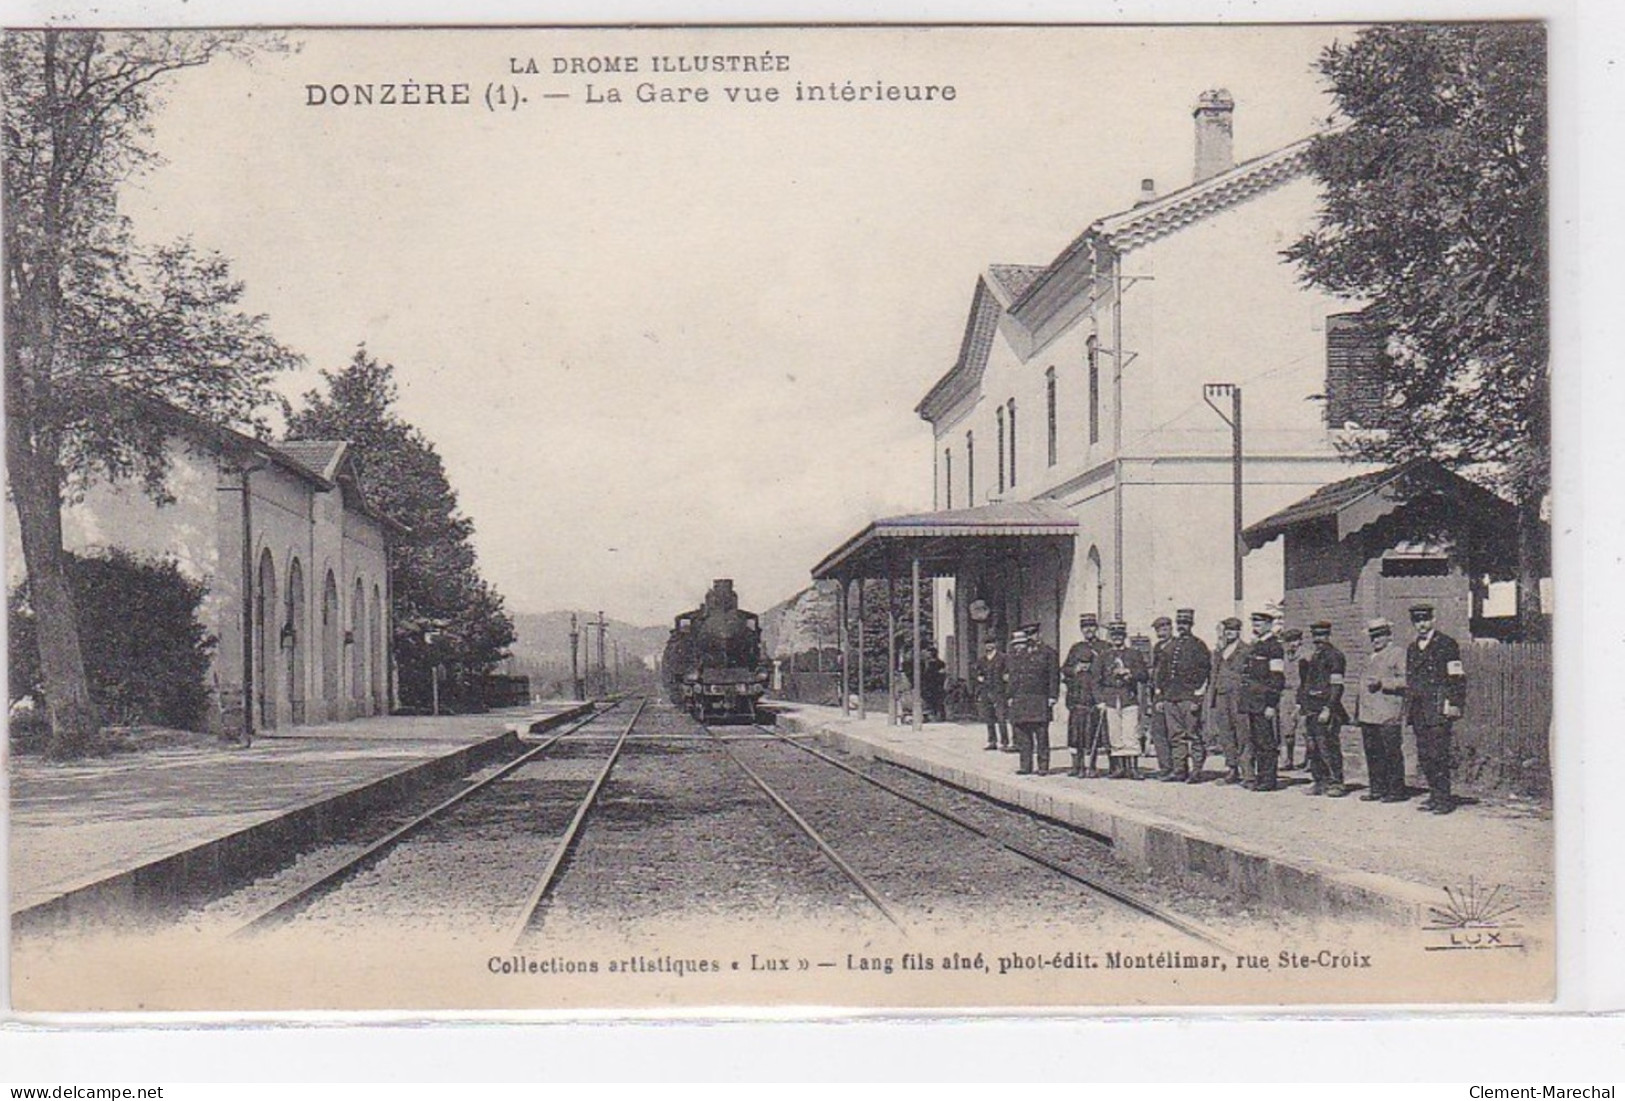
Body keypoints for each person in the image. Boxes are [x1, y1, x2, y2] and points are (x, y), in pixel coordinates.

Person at [1405, 603, 1467, 814]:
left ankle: (1444, 799)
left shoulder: (1447, 644)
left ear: (1433, 620)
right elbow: (1411, 680)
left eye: (1424, 620)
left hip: (1439, 706)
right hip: (1419, 709)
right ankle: (1433, 795)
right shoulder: (1412, 648)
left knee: (1438, 753)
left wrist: (1455, 703)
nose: (1421, 625)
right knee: (1425, 755)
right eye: (1417, 621)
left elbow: (1457, 677)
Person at [1356, 617, 1408, 803]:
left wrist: (1383, 683)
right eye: (1373, 636)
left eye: (1379, 636)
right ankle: (1377, 788)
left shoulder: (1397, 654)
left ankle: (1396, 791)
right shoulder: (1370, 656)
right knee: (1373, 752)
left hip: (1388, 713)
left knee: (1391, 752)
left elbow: (1406, 681)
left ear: (1388, 636)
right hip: (1369, 714)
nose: (1376, 640)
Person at [1299, 621, 1351, 797]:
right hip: (1311, 708)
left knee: (1328, 746)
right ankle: (1319, 781)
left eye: (1321, 636)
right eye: (1315, 636)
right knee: (1313, 747)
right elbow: (1306, 683)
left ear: (1328, 635)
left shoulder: (1335, 656)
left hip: (1326, 707)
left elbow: (1337, 686)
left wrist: (1329, 708)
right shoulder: (1313, 656)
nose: (1318, 640)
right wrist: (1302, 706)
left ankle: (1336, 782)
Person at [1161, 608, 1211, 783]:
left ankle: (1197, 770)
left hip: (1189, 698)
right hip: (1171, 697)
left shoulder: (1198, 645)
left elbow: (1205, 673)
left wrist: (1197, 698)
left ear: (1191, 624)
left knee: (1193, 735)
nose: (1182, 627)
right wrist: (1162, 697)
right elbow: (1162, 674)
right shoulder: (1170, 646)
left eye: (1185, 623)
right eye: (1180, 623)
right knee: (1175, 736)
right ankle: (1179, 769)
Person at [1093, 619, 1148, 780]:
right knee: (1114, 733)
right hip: (1110, 698)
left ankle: (1133, 768)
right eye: (1114, 635)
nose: (1117, 638)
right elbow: (1096, 680)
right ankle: (1118, 768)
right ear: (1110, 637)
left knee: (1130, 732)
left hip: (1128, 697)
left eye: (1120, 635)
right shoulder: (1104, 656)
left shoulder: (1134, 654)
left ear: (1124, 636)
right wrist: (1099, 700)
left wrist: (1130, 672)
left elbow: (1144, 675)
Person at [1240, 609, 1286, 792]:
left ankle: (1269, 780)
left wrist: (1271, 704)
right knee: (1257, 741)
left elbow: (1277, 678)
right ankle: (1261, 777)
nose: (1255, 627)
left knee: (1266, 742)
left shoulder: (1274, 647)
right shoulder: (1256, 645)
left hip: (1264, 702)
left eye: (1258, 624)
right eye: (1254, 624)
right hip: (1253, 701)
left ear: (1268, 625)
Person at [1006, 624, 1060, 776]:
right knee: (1023, 734)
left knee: (1041, 734)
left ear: (1039, 634)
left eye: (1034, 634)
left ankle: (1043, 766)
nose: (1031, 638)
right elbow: (1014, 677)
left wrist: (1052, 696)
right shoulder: (1018, 655)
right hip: (1021, 698)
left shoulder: (1048, 653)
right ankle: (1025, 765)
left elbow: (1053, 676)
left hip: (1040, 698)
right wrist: (1010, 695)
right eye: (1028, 635)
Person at [1062, 613, 1109, 776]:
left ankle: (1092, 766)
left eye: (1091, 626)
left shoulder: (1104, 647)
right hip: (1077, 696)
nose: (1088, 630)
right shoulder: (1076, 647)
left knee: (1094, 732)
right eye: (1085, 627)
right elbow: (1065, 669)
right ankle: (1076, 765)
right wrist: (1075, 669)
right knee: (1076, 733)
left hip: (1094, 697)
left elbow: (1108, 670)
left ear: (1096, 628)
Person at [1206, 617, 1249, 785]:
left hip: (1238, 697)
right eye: (1227, 630)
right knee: (1226, 733)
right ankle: (1232, 768)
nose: (1229, 633)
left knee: (1242, 733)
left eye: (1233, 630)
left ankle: (1247, 772)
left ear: (1239, 631)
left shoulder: (1246, 650)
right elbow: (1214, 673)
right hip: (1222, 695)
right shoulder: (1219, 651)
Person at [1146, 617, 1175, 778]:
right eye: (1158, 630)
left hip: (1170, 696)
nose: (1161, 633)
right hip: (1156, 695)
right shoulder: (1157, 647)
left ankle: (1176, 768)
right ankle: (1165, 766)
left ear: (1171, 629)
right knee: (1158, 732)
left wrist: (1163, 697)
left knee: (1173, 733)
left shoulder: (1176, 647)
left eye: (1164, 629)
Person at [973, 638, 1011, 751]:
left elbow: (1007, 672)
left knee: (1001, 717)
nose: (988, 646)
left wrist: (1005, 681)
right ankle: (992, 741)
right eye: (986, 644)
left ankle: (1004, 741)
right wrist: (979, 677)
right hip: (985, 691)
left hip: (999, 691)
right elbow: (977, 672)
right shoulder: (982, 660)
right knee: (988, 717)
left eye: (991, 643)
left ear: (996, 644)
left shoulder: (1003, 658)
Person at [1278, 627, 1305, 770]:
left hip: (1300, 693)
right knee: (1287, 729)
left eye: (1294, 640)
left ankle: (1309, 761)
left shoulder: (1305, 656)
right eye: (1288, 641)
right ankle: (1288, 759)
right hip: (1286, 694)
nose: (1292, 644)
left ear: (1300, 641)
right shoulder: (1284, 657)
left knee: (1304, 728)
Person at [919, 645, 948, 723]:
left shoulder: (940, 664)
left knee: (937, 702)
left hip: (936, 686)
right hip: (927, 686)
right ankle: (928, 716)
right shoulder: (924, 663)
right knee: (928, 702)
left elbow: (942, 675)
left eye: (929, 653)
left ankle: (939, 716)